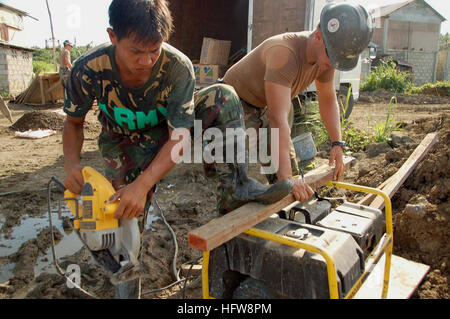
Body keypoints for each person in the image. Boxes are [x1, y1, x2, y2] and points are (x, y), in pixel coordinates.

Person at [62, 0, 289, 298]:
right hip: (122, 141)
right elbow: (74, 122)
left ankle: (238, 186)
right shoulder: (88, 69)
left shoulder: (177, 67)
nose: (146, 61)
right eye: (135, 51)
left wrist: (145, 184)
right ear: (113, 36)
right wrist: (71, 164)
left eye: (154, 50)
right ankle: (127, 286)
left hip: (169, 132)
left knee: (222, 95)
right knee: (122, 220)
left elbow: (179, 137)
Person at [222, 2, 374, 203]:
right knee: (235, 179)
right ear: (319, 37)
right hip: (233, 104)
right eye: (333, 59)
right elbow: (278, 119)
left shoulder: (326, 56)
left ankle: (285, 206)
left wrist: (337, 143)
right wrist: (286, 179)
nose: (332, 65)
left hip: (266, 105)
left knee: (291, 175)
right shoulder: (284, 53)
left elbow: (327, 99)